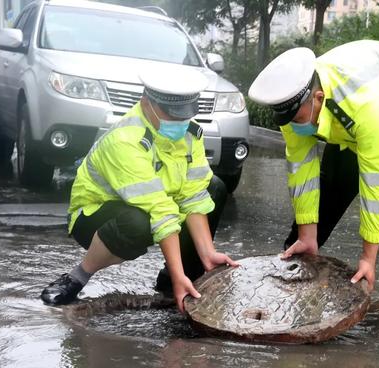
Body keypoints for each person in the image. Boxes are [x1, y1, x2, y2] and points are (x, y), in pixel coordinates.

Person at [248, 40, 379, 344]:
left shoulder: (364, 101)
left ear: (317, 97)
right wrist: (306, 236)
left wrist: (368, 258)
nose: (293, 125)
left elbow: (377, 182)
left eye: (297, 118)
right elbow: (303, 173)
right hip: (351, 123)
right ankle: (293, 279)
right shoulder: (294, 103)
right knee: (329, 190)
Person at [41, 64, 238, 311]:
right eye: (172, 114)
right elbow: (159, 209)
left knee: (214, 188)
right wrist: (179, 271)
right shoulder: (125, 140)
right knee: (140, 221)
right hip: (94, 216)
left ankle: (179, 281)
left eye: (184, 115)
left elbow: (194, 194)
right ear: (147, 103)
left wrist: (208, 252)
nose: (179, 122)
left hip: (152, 205)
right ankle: (79, 275)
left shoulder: (189, 134)